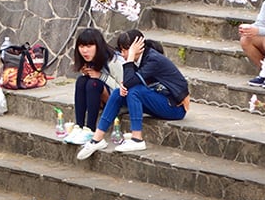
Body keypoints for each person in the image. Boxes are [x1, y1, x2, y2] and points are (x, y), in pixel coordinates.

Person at [76, 30, 189, 159]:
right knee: (119, 92)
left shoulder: (153, 59)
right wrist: (124, 86)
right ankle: (97, 139)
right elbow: (128, 82)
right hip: (157, 99)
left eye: (125, 51)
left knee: (135, 91)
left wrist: (130, 58)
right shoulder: (139, 60)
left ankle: (137, 139)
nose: (122, 55)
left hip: (175, 107)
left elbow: (132, 82)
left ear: (137, 48)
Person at [64, 28, 124, 145]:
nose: (85, 51)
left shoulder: (114, 61)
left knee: (93, 84)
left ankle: (90, 130)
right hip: (104, 98)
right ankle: (79, 127)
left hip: (119, 102)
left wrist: (100, 76)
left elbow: (123, 89)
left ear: (98, 46)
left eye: (89, 46)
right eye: (81, 47)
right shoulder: (90, 59)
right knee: (82, 81)